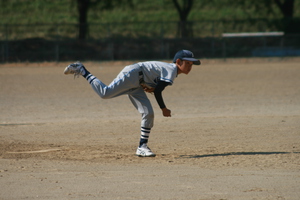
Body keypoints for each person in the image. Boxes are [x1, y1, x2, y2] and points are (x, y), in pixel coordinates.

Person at [63, 50, 201, 157]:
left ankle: (142, 147)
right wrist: (164, 108)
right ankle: (82, 70)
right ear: (178, 61)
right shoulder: (171, 70)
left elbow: (156, 87)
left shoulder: (171, 71)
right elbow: (158, 91)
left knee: (148, 113)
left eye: (191, 64)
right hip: (132, 74)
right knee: (105, 93)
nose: (190, 67)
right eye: (187, 63)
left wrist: (151, 87)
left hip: (138, 83)